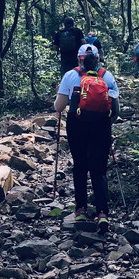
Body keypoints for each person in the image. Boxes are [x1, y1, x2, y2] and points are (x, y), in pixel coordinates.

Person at [54, 43, 120, 233]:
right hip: (101, 125)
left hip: (77, 125)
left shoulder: (70, 75)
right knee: (99, 170)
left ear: (78, 59)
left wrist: (60, 93)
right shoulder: (107, 76)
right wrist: (106, 122)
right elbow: (116, 110)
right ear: (98, 59)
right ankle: (102, 213)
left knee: (80, 166)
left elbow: (59, 107)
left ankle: (81, 210)